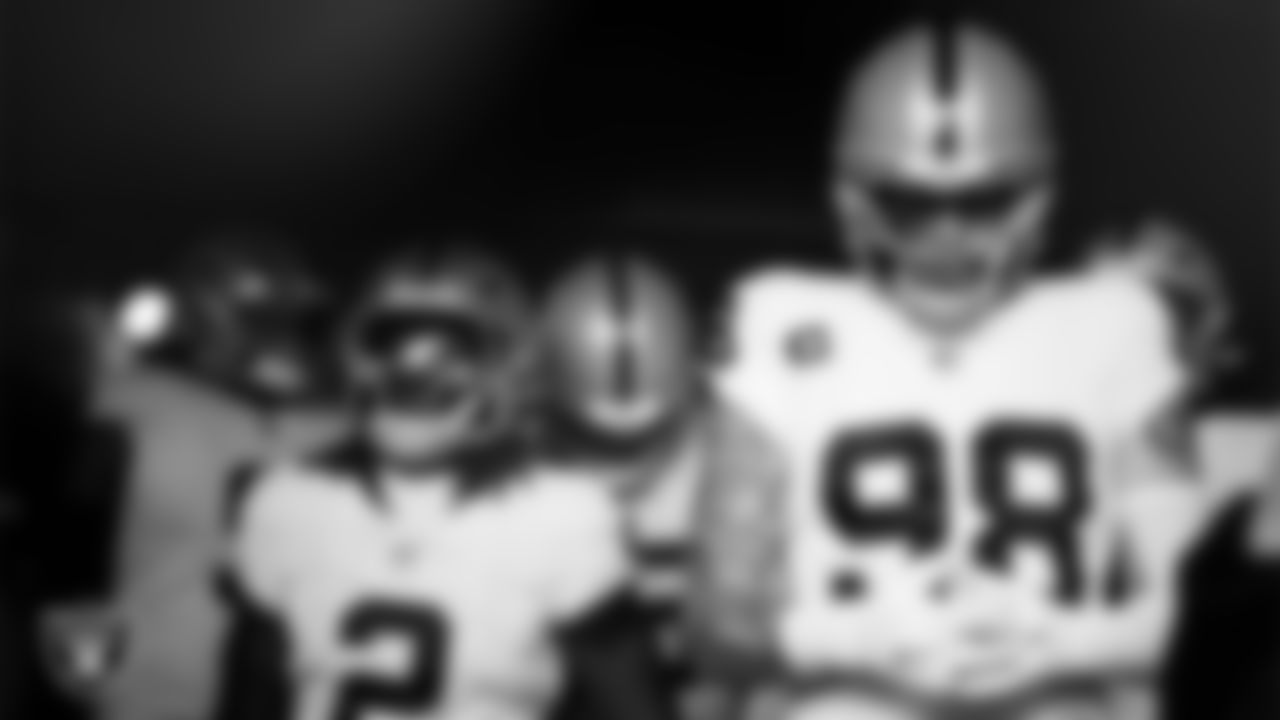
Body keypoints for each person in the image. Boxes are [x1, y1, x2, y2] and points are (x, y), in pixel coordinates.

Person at [689, 20, 1215, 720]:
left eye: (984, 200)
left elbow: (1210, 614)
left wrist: (1058, 643)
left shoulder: (1117, 322)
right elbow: (715, 627)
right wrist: (865, 641)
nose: (947, 234)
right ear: (852, 196)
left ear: (1040, 192)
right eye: (908, 202)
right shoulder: (779, 319)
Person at [216, 247, 659, 720]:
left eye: (452, 347)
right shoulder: (288, 500)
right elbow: (252, 694)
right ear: (354, 353)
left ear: (505, 369)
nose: (413, 371)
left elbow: (625, 704)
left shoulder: (562, 514)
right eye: (391, 341)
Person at [39, 231, 346, 720]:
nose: (277, 336)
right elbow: (75, 559)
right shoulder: (134, 408)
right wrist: (85, 677)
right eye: (262, 318)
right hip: (160, 687)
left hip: (296, 687)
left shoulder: (335, 423)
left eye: (286, 320)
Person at [539, 254, 724, 720]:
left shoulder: (741, 457)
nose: (625, 461)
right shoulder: (513, 473)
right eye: (595, 440)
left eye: (649, 436)